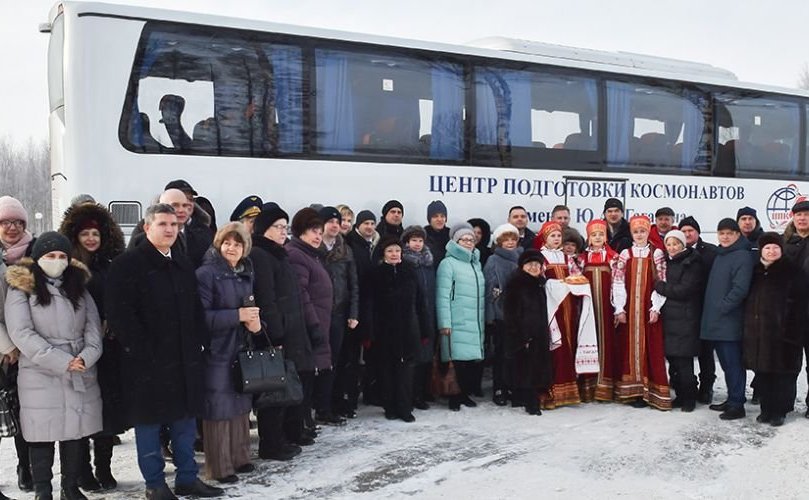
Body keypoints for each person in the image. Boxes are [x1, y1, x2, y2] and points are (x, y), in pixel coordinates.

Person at [106, 204, 224, 499]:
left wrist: (201, 341)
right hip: (147, 364)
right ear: (147, 227)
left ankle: (187, 478)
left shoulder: (181, 262)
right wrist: (142, 349)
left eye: (174, 224)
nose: (170, 229)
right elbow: (121, 315)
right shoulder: (127, 264)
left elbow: (195, 309)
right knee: (149, 426)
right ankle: (155, 485)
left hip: (184, 361)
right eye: (162, 224)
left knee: (184, 423)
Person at [5, 231, 103, 500]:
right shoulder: (22, 289)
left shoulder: (78, 286)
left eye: (62, 256)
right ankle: (43, 491)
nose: (57, 261)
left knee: (75, 432)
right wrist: (61, 361)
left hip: (80, 368)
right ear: (38, 258)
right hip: (40, 371)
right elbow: (21, 332)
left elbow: (93, 328)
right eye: (50, 256)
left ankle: (70, 487)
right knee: (41, 434)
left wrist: (86, 356)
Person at [58, 201, 126, 491]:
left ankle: (104, 467)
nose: (90, 239)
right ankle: (82, 471)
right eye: (85, 233)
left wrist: (112, 320)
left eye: (95, 234)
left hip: (108, 348)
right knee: (79, 411)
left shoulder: (110, 265)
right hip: (76, 348)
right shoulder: (65, 268)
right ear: (75, 236)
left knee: (105, 411)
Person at [195, 223, 259, 483]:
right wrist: (237, 316)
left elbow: (250, 306)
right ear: (218, 244)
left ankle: (240, 457)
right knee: (219, 407)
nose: (231, 248)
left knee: (240, 404)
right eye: (227, 243)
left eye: (237, 244)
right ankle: (220, 467)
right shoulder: (206, 274)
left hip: (241, 346)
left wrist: (255, 323)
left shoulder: (245, 273)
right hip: (217, 349)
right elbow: (201, 317)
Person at [249, 204, 312, 459]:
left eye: (285, 227)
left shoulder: (278, 253)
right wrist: (275, 334)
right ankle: (271, 444)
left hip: (288, 329)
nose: (283, 231)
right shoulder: (260, 254)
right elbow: (266, 298)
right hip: (274, 334)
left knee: (283, 389)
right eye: (277, 226)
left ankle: (283, 438)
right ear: (264, 228)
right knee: (272, 392)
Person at [744, 232, 807, 426]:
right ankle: (766, 408)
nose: (771, 251)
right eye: (767, 248)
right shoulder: (755, 272)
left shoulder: (792, 272)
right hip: (759, 334)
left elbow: (802, 305)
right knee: (763, 372)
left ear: (781, 249)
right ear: (761, 250)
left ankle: (780, 410)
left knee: (783, 374)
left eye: (775, 248)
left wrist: (793, 333)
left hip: (784, 335)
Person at [612, 215, 671, 410]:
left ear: (648, 232)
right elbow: (618, 282)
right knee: (628, 348)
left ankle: (650, 390)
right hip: (630, 309)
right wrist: (619, 308)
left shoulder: (657, 254)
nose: (639, 235)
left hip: (647, 308)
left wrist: (656, 307)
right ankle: (633, 390)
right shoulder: (625, 254)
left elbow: (661, 281)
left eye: (643, 231)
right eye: (636, 232)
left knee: (650, 347)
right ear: (631, 233)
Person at [370, 236, 429, 422]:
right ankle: (390, 406)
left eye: (397, 250)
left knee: (406, 371)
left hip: (408, 328)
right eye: (390, 251)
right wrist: (369, 332)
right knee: (386, 370)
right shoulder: (376, 274)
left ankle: (405, 407)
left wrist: (425, 329)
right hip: (385, 330)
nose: (394, 254)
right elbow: (369, 305)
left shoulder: (410, 271)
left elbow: (421, 302)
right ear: (383, 254)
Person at [700, 218, 754, 421]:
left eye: (729, 233)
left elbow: (740, 289)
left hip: (729, 321)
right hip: (717, 320)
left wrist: (723, 307)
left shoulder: (742, 256)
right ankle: (732, 398)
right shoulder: (722, 254)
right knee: (725, 363)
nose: (725, 236)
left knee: (733, 364)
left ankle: (737, 403)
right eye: (721, 233)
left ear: (737, 235)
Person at [286, 209, 333, 433]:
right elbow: (302, 295)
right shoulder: (296, 255)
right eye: (313, 231)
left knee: (311, 375)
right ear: (300, 231)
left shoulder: (312, 254)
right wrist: (314, 325)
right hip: (306, 328)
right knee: (304, 376)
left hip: (318, 323)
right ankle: (300, 422)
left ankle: (305, 420)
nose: (318, 236)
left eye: (320, 232)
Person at [0, 195, 35, 493]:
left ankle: (26, 468)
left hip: (29, 349)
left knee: (25, 415)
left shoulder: (35, 254)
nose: (11, 227)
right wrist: (7, 345)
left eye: (17, 222)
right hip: (4, 350)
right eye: (5, 222)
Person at [535, 221, 590, 408]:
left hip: (568, 306)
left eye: (559, 236)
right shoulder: (541, 257)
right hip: (551, 308)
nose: (557, 239)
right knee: (554, 347)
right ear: (545, 238)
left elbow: (577, 277)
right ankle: (551, 390)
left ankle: (569, 390)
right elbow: (539, 281)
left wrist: (574, 283)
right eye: (553, 236)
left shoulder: (567, 258)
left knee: (569, 344)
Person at [436, 223, 485, 411]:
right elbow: (442, 295)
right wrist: (444, 322)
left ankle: (464, 393)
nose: (469, 242)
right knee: (456, 360)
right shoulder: (447, 264)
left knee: (469, 360)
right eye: (464, 239)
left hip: (474, 319)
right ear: (456, 241)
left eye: (471, 239)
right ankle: (454, 396)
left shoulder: (475, 263)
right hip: (457, 320)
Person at [654, 230, 704, 412]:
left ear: (683, 245)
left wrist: (660, 286)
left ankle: (690, 398)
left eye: (676, 244)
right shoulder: (668, 262)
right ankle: (680, 396)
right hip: (670, 319)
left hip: (685, 319)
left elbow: (684, 290)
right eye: (669, 244)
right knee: (673, 362)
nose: (672, 248)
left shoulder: (691, 262)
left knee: (684, 363)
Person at [317, 206, 358, 426]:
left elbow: (354, 284)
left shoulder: (346, 249)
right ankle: (318, 406)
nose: (335, 225)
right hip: (317, 314)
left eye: (337, 221)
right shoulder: (313, 247)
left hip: (339, 315)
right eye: (330, 221)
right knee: (318, 363)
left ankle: (329, 406)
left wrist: (353, 313)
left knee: (335, 362)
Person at [502, 249, 554, 415]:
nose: (533, 267)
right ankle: (531, 403)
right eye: (530, 264)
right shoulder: (516, 284)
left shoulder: (540, 283)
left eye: (537, 264)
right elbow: (510, 313)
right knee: (526, 369)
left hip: (538, 333)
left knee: (534, 368)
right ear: (522, 266)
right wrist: (520, 336)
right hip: (523, 334)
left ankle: (523, 398)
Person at [343, 210, 380, 414]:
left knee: (364, 355)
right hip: (355, 309)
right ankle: (349, 399)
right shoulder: (352, 245)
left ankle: (364, 393)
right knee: (352, 357)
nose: (369, 226)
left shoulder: (369, 245)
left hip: (367, 308)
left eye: (372, 223)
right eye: (366, 222)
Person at [678, 215, 718, 403]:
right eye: (684, 231)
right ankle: (685, 386)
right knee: (682, 350)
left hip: (705, 307)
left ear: (698, 232)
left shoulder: (711, 252)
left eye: (690, 231)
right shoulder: (674, 251)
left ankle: (707, 386)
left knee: (705, 351)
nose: (687, 234)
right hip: (682, 310)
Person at [579, 219, 619, 402]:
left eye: (601, 234)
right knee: (589, 339)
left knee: (607, 341)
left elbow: (619, 282)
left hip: (607, 307)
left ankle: (606, 385)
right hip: (588, 308)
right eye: (594, 234)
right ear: (588, 238)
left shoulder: (613, 257)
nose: (597, 237)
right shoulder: (581, 259)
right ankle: (589, 386)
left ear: (606, 237)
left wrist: (618, 306)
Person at [483, 223, 523, 406]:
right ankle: (499, 388)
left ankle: (512, 386)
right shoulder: (493, 260)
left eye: (512, 239)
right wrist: (490, 316)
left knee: (515, 353)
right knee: (501, 353)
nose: (509, 243)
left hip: (519, 315)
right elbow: (489, 290)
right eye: (505, 239)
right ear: (498, 242)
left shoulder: (521, 257)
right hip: (501, 314)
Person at [401, 225, 437, 410]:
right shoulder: (405, 263)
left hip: (429, 313)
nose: (417, 244)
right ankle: (414, 395)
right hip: (412, 316)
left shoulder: (429, 263)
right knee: (414, 358)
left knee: (427, 357)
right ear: (407, 242)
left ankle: (424, 391)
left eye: (420, 240)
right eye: (413, 240)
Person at [783, 200, 809, 417]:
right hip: (789, 313)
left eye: (807, 215)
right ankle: (785, 403)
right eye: (799, 214)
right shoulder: (783, 243)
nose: (802, 218)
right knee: (788, 363)